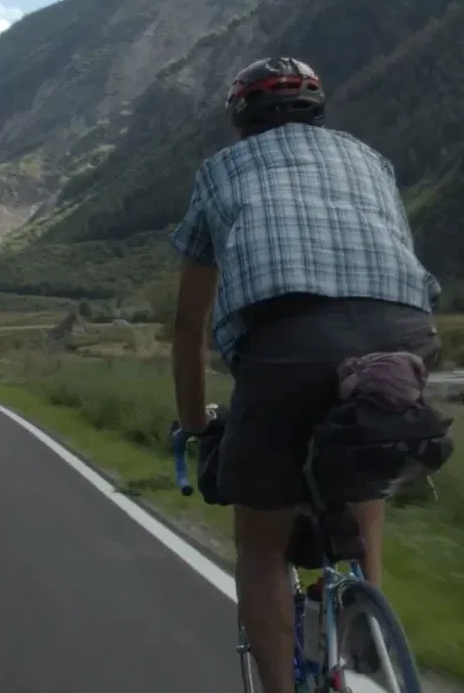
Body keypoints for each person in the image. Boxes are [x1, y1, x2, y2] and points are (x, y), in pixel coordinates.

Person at [167, 57, 441, 693]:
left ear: (240, 118)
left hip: (286, 341)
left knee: (261, 542)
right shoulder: (372, 161)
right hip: (404, 333)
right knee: (361, 457)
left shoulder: (220, 171)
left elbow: (188, 326)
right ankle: (366, 635)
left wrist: (192, 425)